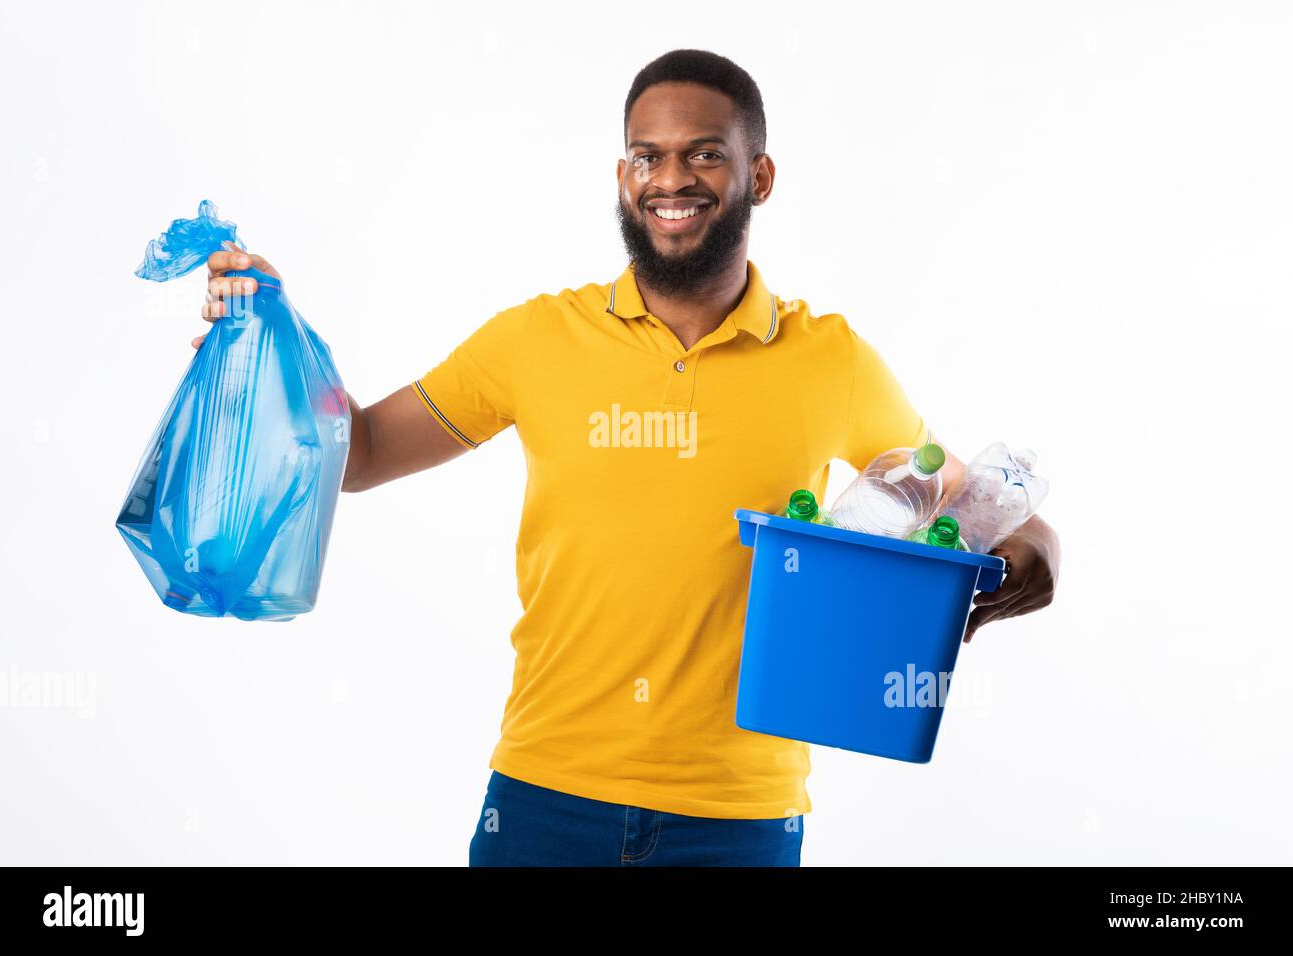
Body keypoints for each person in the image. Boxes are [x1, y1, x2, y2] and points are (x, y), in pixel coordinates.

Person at [195, 49, 1061, 867]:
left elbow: (968, 506)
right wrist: (265, 333)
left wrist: (1040, 553)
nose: (671, 179)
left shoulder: (832, 361)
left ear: (759, 176)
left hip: (741, 814)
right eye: (647, 156)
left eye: (705, 154)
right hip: (544, 795)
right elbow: (362, 453)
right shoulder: (536, 338)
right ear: (622, 177)